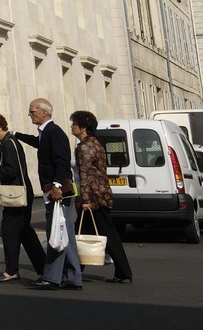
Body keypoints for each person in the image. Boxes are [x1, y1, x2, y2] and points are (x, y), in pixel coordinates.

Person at [16, 98, 82, 291]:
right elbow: (38, 143)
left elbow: (62, 161)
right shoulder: (46, 133)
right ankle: (73, 277)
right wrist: (17, 134)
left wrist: (57, 186)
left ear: (44, 113)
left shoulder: (54, 132)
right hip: (55, 190)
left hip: (57, 192)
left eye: (32, 111)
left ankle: (52, 277)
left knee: (56, 233)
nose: (30, 114)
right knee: (65, 233)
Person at [0, 111, 46, 283]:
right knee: (24, 232)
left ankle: (11, 270)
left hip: (16, 196)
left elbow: (11, 171)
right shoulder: (10, 143)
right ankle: (45, 268)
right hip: (22, 194)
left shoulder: (8, 144)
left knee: (9, 231)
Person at [70, 110, 131, 284]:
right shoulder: (96, 143)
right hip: (101, 193)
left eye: (74, 124)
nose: (71, 127)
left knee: (105, 234)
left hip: (94, 197)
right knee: (84, 232)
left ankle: (73, 272)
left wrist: (86, 200)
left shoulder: (85, 147)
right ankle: (74, 270)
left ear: (82, 128)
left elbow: (86, 174)